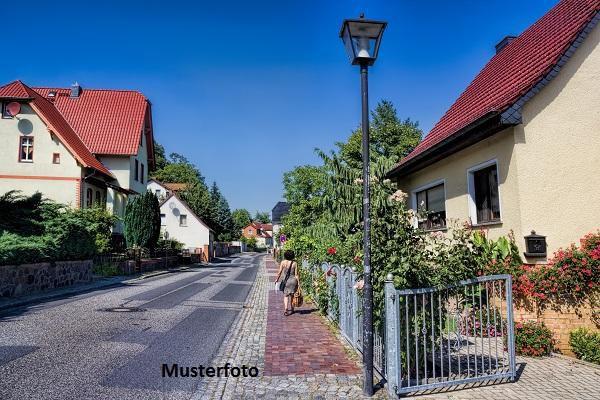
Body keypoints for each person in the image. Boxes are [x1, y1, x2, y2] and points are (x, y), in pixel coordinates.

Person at [275, 250, 299, 316]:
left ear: (285, 255)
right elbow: (296, 274)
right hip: (293, 281)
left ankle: (286, 308)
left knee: (286, 296)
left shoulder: (283, 262)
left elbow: (279, 272)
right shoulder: (295, 263)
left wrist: (277, 279)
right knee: (292, 295)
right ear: (293, 255)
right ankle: (292, 309)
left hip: (286, 281)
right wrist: (298, 283)